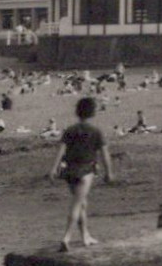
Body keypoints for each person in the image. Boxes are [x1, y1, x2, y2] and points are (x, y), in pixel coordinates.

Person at [47, 96, 114, 251]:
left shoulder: (70, 130)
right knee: (77, 204)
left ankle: (85, 236)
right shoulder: (96, 131)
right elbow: (105, 154)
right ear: (92, 113)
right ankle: (66, 237)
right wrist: (109, 172)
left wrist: (53, 168)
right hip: (86, 171)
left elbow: (61, 150)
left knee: (82, 203)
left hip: (69, 171)